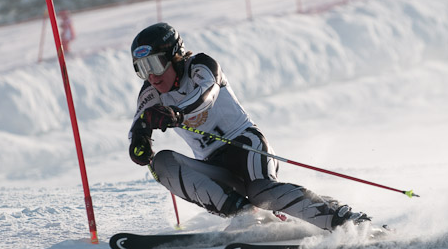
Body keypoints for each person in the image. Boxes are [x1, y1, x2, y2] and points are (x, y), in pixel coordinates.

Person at [128, 22, 370, 231]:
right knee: (161, 163)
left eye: (155, 65)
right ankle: (245, 215)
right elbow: (138, 128)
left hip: (247, 147)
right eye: (142, 68)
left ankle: (342, 220)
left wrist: (177, 113)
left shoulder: (201, 66)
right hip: (213, 165)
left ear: (175, 56)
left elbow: (206, 96)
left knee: (263, 193)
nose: (151, 76)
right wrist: (140, 143)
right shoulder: (151, 93)